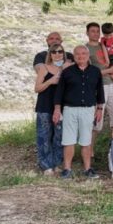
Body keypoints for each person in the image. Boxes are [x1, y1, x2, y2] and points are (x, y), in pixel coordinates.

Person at [53, 45, 105, 179]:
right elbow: (59, 92)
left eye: (83, 54)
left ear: (88, 56)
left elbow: (100, 92)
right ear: (74, 56)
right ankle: (67, 169)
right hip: (69, 110)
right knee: (68, 141)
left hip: (88, 110)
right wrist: (57, 109)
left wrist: (99, 109)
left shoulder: (95, 71)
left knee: (86, 141)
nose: (80, 56)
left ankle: (87, 169)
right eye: (77, 54)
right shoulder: (67, 72)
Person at [33, 44, 70, 174]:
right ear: (50, 54)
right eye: (54, 52)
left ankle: (57, 163)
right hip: (44, 106)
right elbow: (37, 88)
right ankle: (45, 165)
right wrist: (50, 81)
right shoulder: (44, 68)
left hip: (61, 108)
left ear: (63, 53)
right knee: (44, 136)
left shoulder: (67, 68)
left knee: (59, 136)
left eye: (60, 51)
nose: (57, 54)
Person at [85, 22, 113, 142]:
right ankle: (89, 150)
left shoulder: (104, 44)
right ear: (87, 33)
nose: (96, 33)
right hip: (99, 86)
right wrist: (108, 71)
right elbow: (87, 73)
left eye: (97, 31)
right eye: (93, 31)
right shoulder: (86, 49)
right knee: (97, 122)